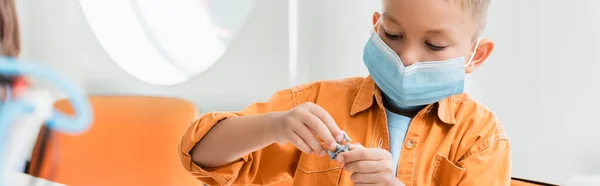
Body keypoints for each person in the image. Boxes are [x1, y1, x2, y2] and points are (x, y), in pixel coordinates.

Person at [178, 0, 510, 185]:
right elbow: (198, 153)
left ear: (475, 56)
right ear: (377, 25)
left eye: (434, 44)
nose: (406, 57)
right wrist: (274, 126)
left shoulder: (481, 137)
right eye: (393, 35)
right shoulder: (317, 103)